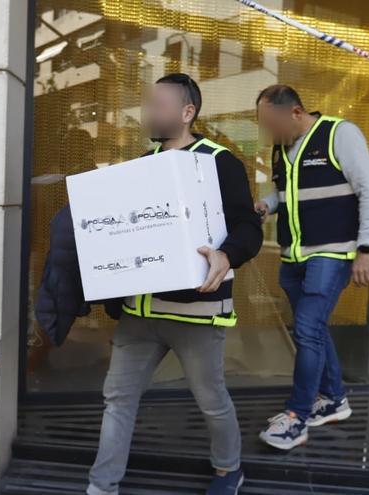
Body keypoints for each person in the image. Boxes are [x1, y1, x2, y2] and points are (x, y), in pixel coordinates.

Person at [86, 73, 262, 495]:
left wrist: (227, 254)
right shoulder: (142, 165)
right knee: (118, 401)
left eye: (160, 104)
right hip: (139, 313)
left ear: (187, 113)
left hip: (197, 314)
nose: (151, 111)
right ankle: (101, 487)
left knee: (211, 401)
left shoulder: (220, 161)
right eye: (149, 104)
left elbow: (247, 227)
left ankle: (228, 470)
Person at [253, 85, 369, 450]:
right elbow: (285, 192)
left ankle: (297, 417)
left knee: (308, 328)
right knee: (312, 328)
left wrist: (366, 249)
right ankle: (334, 398)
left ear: (295, 112)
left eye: (271, 123)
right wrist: (265, 204)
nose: (268, 133)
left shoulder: (339, 134)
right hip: (294, 256)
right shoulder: (282, 148)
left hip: (332, 253)